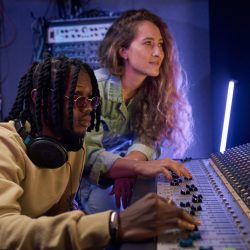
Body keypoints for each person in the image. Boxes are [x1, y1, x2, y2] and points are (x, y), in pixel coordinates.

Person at [0, 53, 200, 249]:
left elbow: (62, 218)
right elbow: (4, 232)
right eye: (78, 99)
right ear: (40, 98)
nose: (88, 109)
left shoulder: (73, 147)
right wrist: (113, 224)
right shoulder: (5, 145)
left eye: (91, 100)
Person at [77, 8, 194, 213]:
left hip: (121, 168)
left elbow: (146, 139)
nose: (158, 53)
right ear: (123, 51)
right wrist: (133, 168)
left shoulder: (153, 92)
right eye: (148, 43)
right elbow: (87, 154)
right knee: (117, 217)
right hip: (85, 180)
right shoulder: (95, 87)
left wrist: (128, 168)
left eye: (160, 44)